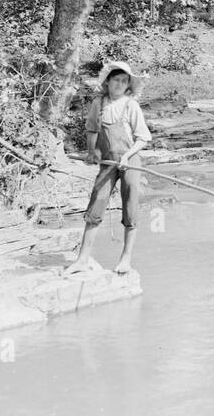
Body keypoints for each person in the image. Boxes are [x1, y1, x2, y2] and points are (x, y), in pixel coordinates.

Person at [63, 61, 151, 276]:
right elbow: (92, 130)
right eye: (116, 80)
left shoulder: (131, 105)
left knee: (130, 207)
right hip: (108, 162)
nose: (120, 84)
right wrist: (92, 153)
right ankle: (82, 259)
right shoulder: (99, 104)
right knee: (97, 203)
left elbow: (143, 138)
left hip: (130, 161)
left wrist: (128, 156)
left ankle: (125, 259)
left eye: (124, 81)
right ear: (108, 82)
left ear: (128, 85)